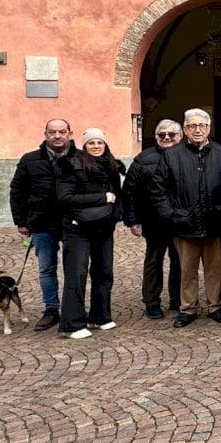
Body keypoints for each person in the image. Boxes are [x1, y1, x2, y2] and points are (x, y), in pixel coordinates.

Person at [149, 108, 221, 329]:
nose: (197, 130)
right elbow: (158, 189)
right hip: (183, 222)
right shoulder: (171, 155)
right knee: (187, 270)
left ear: (208, 128)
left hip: (212, 221)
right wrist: (171, 215)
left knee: (214, 269)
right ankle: (188, 308)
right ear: (185, 129)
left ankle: (216, 306)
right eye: (192, 126)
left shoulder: (220, 153)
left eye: (202, 125)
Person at [55, 128, 125, 339]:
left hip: (103, 227)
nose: (96, 146)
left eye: (99, 142)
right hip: (78, 228)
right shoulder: (70, 165)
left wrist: (115, 213)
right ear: (84, 145)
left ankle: (100, 316)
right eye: (91, 142)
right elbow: (64, 197)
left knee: (104, 271)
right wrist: (101, 198)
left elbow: (118, 194)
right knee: (77, 274)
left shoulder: (112, 165)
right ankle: (72, 324)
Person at [9, 118, 76, 331]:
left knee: (74, 269)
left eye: (62, 132)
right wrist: (21, 221)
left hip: (72, 222)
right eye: (52, 132)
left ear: (70, 133)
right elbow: (17, 191)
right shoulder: (30, 159)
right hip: (41, 222)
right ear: (45, 134)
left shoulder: (80, 158)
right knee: (46, 269)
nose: (57, 136)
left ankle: (74, 309)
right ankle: (51, 309)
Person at [122, 119, 182, 318]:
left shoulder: (187, 156)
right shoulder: (143, 159)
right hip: (153, 220)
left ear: (180, 136)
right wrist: (132, 220)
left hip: (179, 219)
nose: (167, 137)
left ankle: (177, 300)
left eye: (171, 134)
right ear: (156, 137)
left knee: (180, 262)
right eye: (162, 134)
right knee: (153, 262)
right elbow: (129, 191)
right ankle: (151, 302)